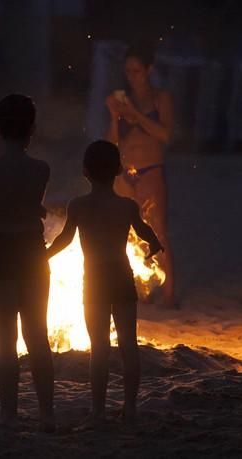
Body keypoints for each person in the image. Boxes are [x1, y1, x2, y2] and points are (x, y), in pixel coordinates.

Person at [47, 140, 163, 426]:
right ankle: (131, 408)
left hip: (95, 282)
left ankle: (98, 412)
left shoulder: (78, 206)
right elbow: (144, 230)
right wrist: (155, 244)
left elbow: (64, 239)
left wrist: (43, 255)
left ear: (85, 171)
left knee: (98, 347)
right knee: (128, 345)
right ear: (119, 170)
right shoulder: (126, 206)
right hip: (121, 278)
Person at [0, 94, 54, 431]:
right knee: (37, 336)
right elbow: (32, 203)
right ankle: (47, 413)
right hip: (32, 253)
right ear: (32, 128)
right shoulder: (40, 169)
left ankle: (9, 415)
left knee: (5, 339)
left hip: (0, 252)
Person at [105, 44, 176, 308]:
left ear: (149, 70)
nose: (132, 76)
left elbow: (166, 135)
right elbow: (110, 142)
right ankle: (140, 291)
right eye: (128, 71)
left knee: (157, 232)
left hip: (150, 170)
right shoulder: (122, 101)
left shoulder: (160, 98)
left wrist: (136, 116)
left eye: (137, 70)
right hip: (124, 171)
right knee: (126, 234)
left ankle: (169, 294)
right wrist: (115, 116)